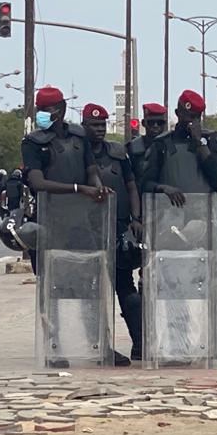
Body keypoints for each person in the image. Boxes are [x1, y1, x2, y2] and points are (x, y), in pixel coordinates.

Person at [21, 85, 117, 365]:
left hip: (82, 224)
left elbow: (91, 171)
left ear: (61, 109)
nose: (42, 115)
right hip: (50, 225)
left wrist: (97, 187)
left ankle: (99, 344)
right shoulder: (33, 142)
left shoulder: (79, 136)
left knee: (91, 286)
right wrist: (79, 189)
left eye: (47, 110)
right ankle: (54, 346)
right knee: (51, 291)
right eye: (39, 110)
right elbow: (38, 183)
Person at [141, 89, 217, 365]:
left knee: (212, 289)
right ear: (177, 114)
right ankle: (175, 349)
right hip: (170, 228)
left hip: (204, 227)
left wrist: (200, 144)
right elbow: (144, 183)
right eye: (186, 115)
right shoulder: (161, 145)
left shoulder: (212, 141)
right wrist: (162, 187)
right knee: (172, 291)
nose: (190, 121)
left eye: (196, 117)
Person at [82, 103, 143, 362]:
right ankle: (98, 347)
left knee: (126, 288)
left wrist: (136, 219)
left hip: (118, 228)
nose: (99, 130)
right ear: (84, 126)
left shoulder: (118, 153)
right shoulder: (78, 155)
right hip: (87, 230)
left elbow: (131, 187)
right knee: (94, 292)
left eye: (102, 125)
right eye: (94, 125)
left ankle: (141, 343)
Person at [128, 103, 169, 185]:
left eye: (160, 123)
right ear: (143, 123)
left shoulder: (171, 145)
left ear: (164, 124)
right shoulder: (133, 147)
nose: (156, 126)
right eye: (151, 122)